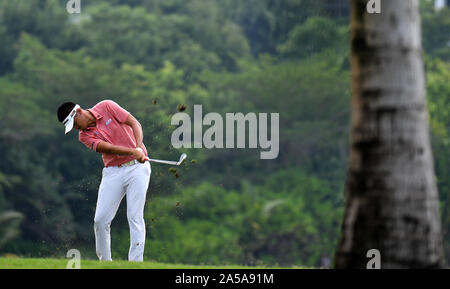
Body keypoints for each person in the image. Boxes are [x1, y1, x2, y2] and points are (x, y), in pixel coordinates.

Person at [57, 100, 151, 262]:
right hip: (112, 172)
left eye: (75, 124)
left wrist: (138, 147)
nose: (76, 129)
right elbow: (107, 148)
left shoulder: (106, 106)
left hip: (138, 169)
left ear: (78, 112)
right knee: (100, 220)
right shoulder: (84, 136)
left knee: (134, 216)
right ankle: (105, 263)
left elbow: (134, 123)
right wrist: (132, 151)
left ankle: (136, 262)